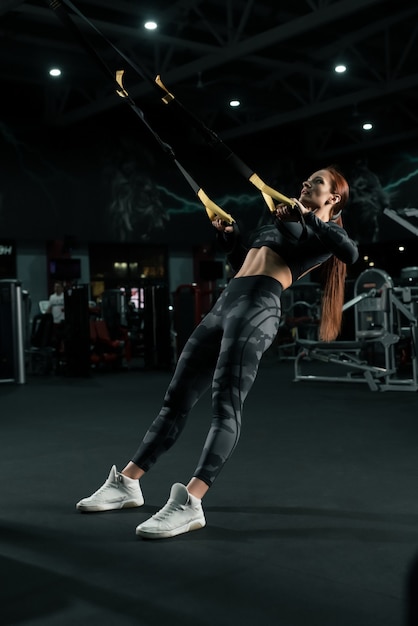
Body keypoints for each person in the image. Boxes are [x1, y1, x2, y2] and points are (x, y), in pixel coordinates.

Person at [76, 166, 359, 539]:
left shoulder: (326, 231)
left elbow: (350, 253)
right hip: (226, 304)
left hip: (258, 309)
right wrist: (231, 238)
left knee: (225, 405)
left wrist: (305, 217)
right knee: (175, 399)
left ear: (333, 198)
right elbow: (246, 263)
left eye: (317, 181)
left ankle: (191, 502)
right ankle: (128, 483)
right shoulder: (280, 218)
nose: (306, 181)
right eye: (306, 178)